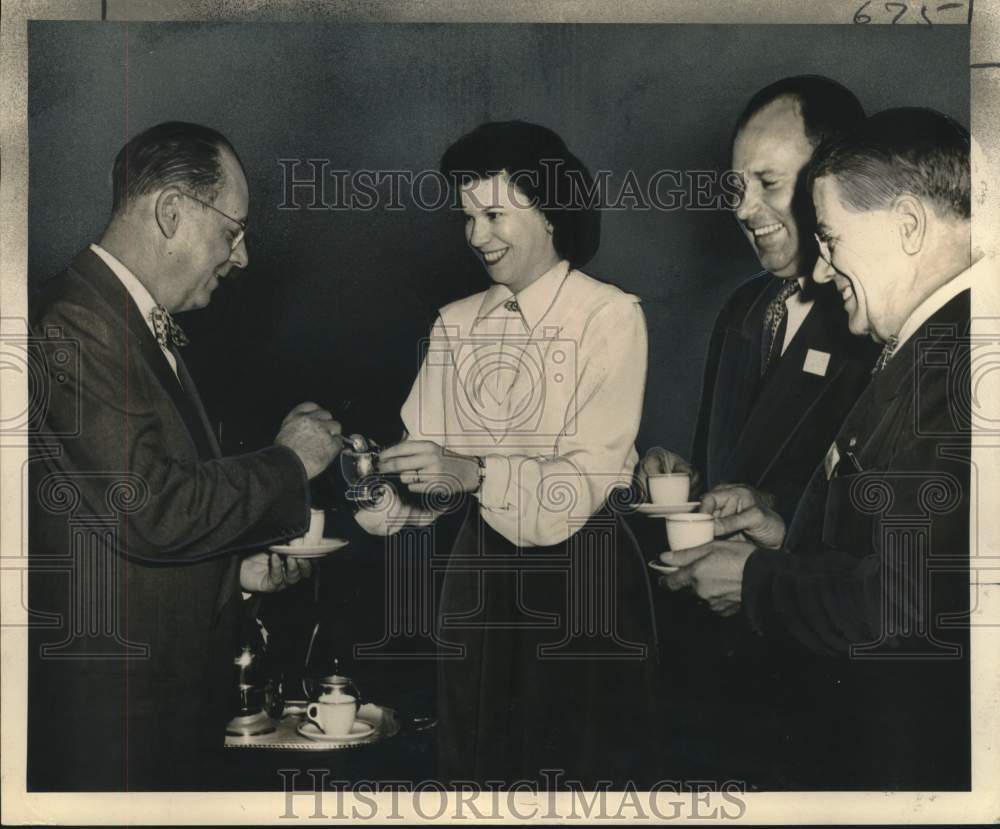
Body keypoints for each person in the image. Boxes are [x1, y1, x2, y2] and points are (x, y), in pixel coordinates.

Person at [661, 108, 984, 789]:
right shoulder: (934, 348)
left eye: (833, 238)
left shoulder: (960, 365)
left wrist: (753, 579)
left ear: (908, 226)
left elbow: (902, 609)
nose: (824, 263)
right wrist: (785, 538)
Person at [28, 121, 343, 791]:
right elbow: (151, 506)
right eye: (233, 231)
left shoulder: (118, 321)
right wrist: (291, 462)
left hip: (152, 699)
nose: (243, 257)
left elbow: (118, 532)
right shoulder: (74, 323)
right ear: (172, 211)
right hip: (111, 716)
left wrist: (238, 570)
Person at [357, 120, 660, 786]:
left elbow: (578, 487)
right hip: (480, 574)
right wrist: (376, 480)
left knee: (580, 774)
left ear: (550, 211)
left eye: (494, 213)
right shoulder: (456, 322)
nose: (476, 236)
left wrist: (471, 471)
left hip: (587, 579)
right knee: (477, 763)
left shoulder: (608, 316)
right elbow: (424, 487)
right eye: (467, 218)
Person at [641, 76, 878, 526]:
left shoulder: (878, 318)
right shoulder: (742, 308)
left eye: (768, 182)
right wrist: (689, 482)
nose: (742, 209)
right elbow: (731, 476)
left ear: (834, 178)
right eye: (738, 187)